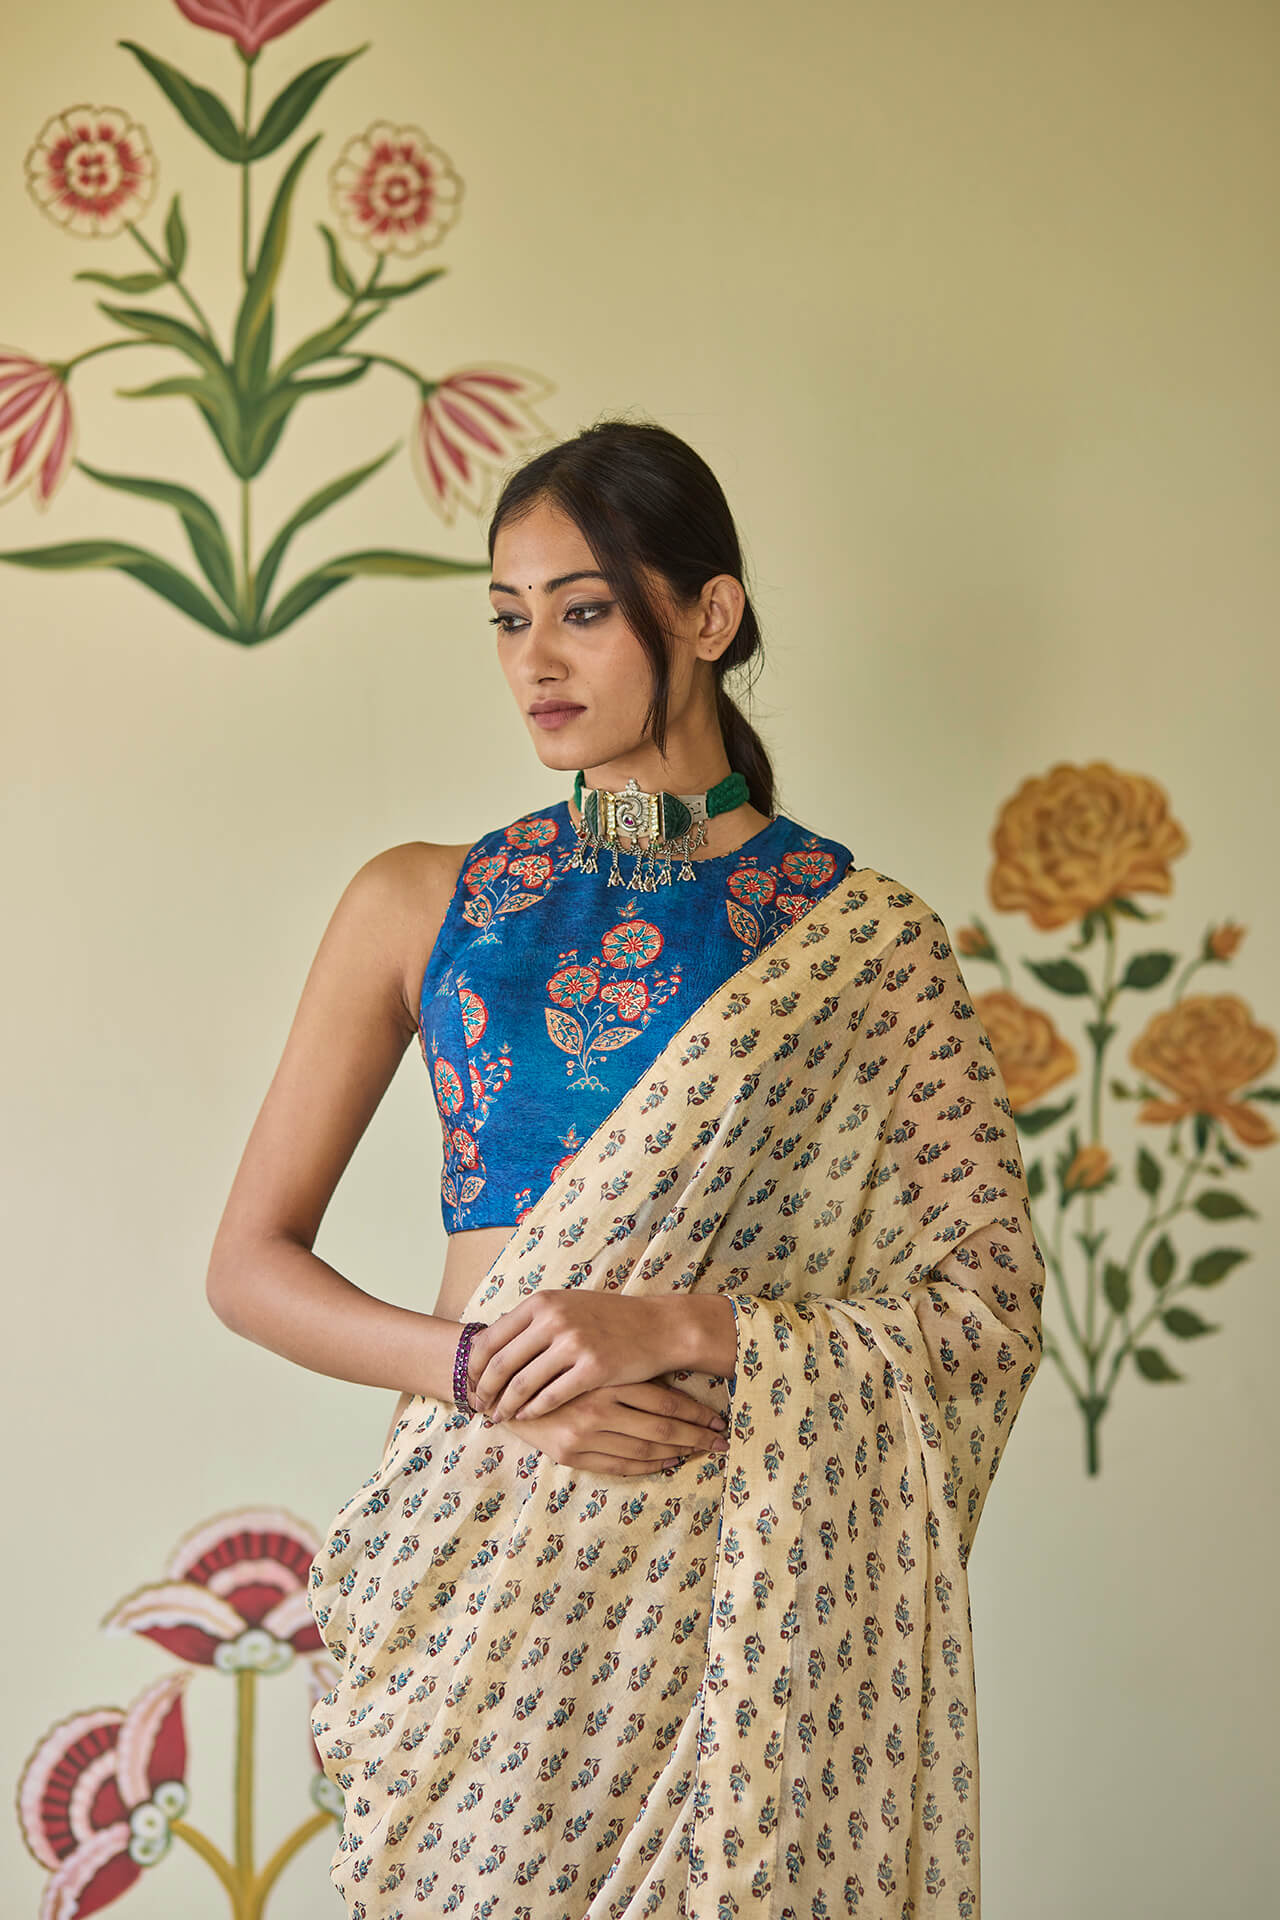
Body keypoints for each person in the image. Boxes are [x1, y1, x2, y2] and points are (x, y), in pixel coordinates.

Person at [206, 418, 1045, 1919]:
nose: (534, 659)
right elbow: (248, 1264)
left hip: (736, 1591)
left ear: (709, 615)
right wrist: (484, 1377)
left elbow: (984, 1306)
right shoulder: (422, 901)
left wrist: (678, 1327)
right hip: (478, 1561)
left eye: (582, 611)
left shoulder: (866, 946)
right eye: (507, 618)